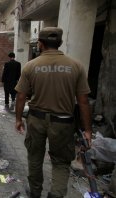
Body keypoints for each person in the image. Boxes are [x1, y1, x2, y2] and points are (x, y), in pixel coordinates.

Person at [14, 27, 92, 198]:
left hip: (36, 119)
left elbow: (21, 97)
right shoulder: (76, 66)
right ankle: (56, 195)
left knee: (35, 157)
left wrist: (18, 119)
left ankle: (35, 192)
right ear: (60, 43)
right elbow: (83, 101)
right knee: (61, 162)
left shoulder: (31, 66)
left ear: (40, 44)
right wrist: (87, 130)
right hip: (63, 122)